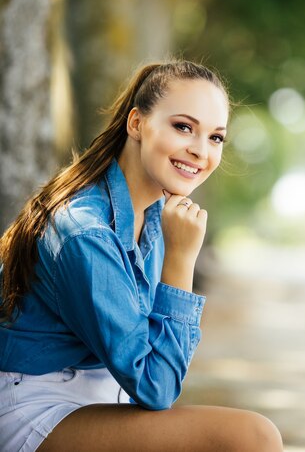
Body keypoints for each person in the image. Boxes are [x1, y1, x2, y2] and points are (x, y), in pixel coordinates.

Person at [0, 60, 283, 452]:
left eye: (216, 137)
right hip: (36, 406)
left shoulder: (154, 215)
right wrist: (181, 262)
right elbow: (156, 387)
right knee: (252, 437)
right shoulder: (86, 232)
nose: (200, 150)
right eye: (183, 127)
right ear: (136, 124)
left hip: (103, 397)